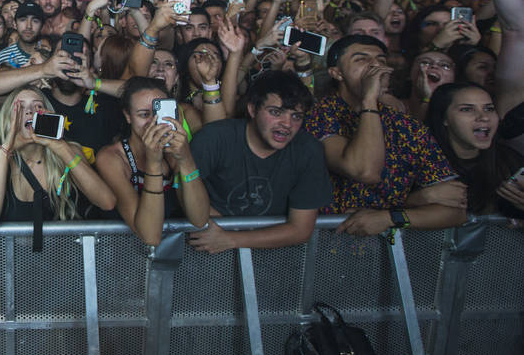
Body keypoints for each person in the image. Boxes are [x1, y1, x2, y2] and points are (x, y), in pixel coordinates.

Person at [303, 35, 468, 235]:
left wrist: (390, 217)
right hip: (325, 248)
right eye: (361, 59)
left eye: (381, 61)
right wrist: (369, 100)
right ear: (337, 73)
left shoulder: (408, 127)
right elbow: (364, 171)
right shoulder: (318, 114)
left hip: (391, 251)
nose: (376, 67)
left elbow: (456, 210)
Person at [179, 71, 332, 253]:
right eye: (276, 112)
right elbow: (184, 193)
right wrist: (223, 230)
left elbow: (301, 229)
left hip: (272, 257)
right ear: (252, 110)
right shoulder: (214, 138)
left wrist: (231, 237)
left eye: (296, 116)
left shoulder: (308, 149)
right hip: (206, 250)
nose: (287, 124)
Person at [0, 87, 116, 232]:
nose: (30, 111)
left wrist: (59, 146)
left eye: (38, 106)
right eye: (20, 107)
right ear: (7, 117)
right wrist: (5, 152)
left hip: (66, 252)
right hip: (10, 253)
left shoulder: (69, 150)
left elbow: (107, 202)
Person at [96, 77, 208, 245]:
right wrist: (153, 164)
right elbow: (150, 236)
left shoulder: (174, 152)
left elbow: (199, 219)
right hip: (121, 255)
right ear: (128, 116)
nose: (153, 123)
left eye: (159, 113)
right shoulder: (112, 158)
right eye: (144, 114)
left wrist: (186, 160)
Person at [425, 82, 524, 216]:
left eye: (489, 109)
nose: (483, 117)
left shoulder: (509, 160)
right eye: (467, 109)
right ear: (444, 118)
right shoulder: (419, 161)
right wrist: (422, 197)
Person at [0, 3, 44, 68]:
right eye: (23, 20)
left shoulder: (49, 56)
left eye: (35, 21)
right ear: (15, 24)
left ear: (42, 26)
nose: (29, 26)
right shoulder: (3, 57)